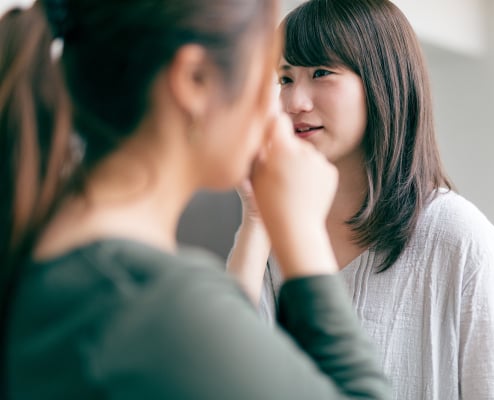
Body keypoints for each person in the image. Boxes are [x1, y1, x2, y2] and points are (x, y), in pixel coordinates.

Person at [0, 0, 392, 399]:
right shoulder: (151, 299)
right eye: (270, 77)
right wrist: (302, 233)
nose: (279, 110)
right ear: (194, 80)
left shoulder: (53, 254)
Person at [228, 0, 494, 398]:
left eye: (321, 72)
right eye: (285, 78)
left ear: (381, 82)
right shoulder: (280, 224)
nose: (294, 102)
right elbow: (228, 369)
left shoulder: (457, 235)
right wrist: (256, 220)